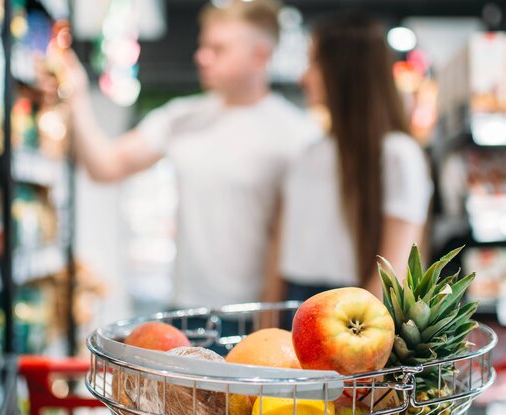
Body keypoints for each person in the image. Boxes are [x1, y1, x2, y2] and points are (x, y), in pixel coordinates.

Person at [58, 0, 319, 309]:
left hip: (259, 314)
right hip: (184, 308)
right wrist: (75, 95)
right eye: (203, 45)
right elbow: (105, 167)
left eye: (218, 48)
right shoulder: (181, 118)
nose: (201, 56)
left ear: (260, 55)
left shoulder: (299, 135)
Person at [273, 11, 433, 303]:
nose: (303, 77)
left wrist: (360, 329)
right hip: (296, 301)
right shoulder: (308, 153)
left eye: (314, 63)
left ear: (343, 70)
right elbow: (282, 248)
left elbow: (392, 270)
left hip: (352, 308)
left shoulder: (397, 154)